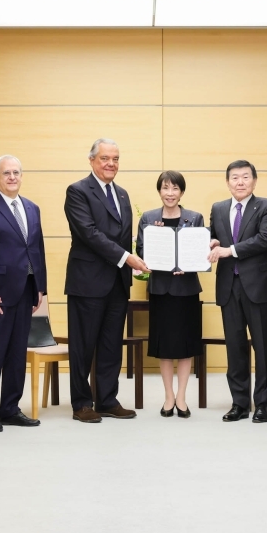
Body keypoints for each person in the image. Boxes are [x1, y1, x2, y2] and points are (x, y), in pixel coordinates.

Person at [64, 139, 148, 423]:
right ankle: (81, 402)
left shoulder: (122, 194)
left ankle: (107, 400)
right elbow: (88, 233)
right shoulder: (77, 191)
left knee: (112, 345)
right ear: (91, 160)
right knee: (83, 345)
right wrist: (127, 258)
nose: (111, 163)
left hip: (117, 282)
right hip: (87, 282)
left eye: (115, 158)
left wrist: (138, 260)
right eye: (104, 158)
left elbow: (123, 238)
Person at [0, 155, 47, 432]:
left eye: (16, 172)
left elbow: (36, 248)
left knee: (17, 353)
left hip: (26, 290)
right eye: (6, 173)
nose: (12, 177)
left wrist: (41, 286)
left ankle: (11, 408)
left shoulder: (31, 208)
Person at [208, 160, 267, 423]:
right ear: (228, 182)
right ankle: (239, 403)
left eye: (245, 177)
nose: (240, 182)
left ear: (254, 181)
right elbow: (215, 239)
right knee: (235, 348)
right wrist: (214, 242)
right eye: (235, 178)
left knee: (262, 346)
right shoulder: (218, 208)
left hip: (259, 287)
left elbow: (265, 239)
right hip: (229, 286)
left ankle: (262, 403)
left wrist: (230, 250)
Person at [136, 170, 204, 418]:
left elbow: (199, 251)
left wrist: (190, 263)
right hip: (161, 290)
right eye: (165, 188)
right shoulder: (149, 218)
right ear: (159, 191)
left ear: (182, 192)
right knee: (164, 345)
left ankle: (183, 397)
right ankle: (168, 397)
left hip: (186, 290)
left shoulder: (194, 218)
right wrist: (150, 261)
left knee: (186, 345)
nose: (170, 193)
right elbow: (141, 251)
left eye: (175, 188)